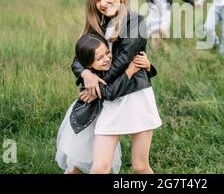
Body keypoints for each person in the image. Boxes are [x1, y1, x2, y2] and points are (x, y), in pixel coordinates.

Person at [71, 0, 162, 174]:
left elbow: (122, 62)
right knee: (100, 168)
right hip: (110, 100)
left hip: (134, 96)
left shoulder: (136, 21)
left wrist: (98, 89)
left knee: (140, 166)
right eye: (98, 0)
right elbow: (78, 59)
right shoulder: (100, 26)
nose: (103, 3)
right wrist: (87, 74)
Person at [55, 33, 155, 174]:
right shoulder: (93, 78)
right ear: (89, 66)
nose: (107, 59)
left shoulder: (109, 63)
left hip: (100, 115)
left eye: (107, 53)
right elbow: (110, 92)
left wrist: (149, 66)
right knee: (76, 163)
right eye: (99, 58)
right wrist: (130, 71)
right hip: (87, 120)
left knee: (83, 162)